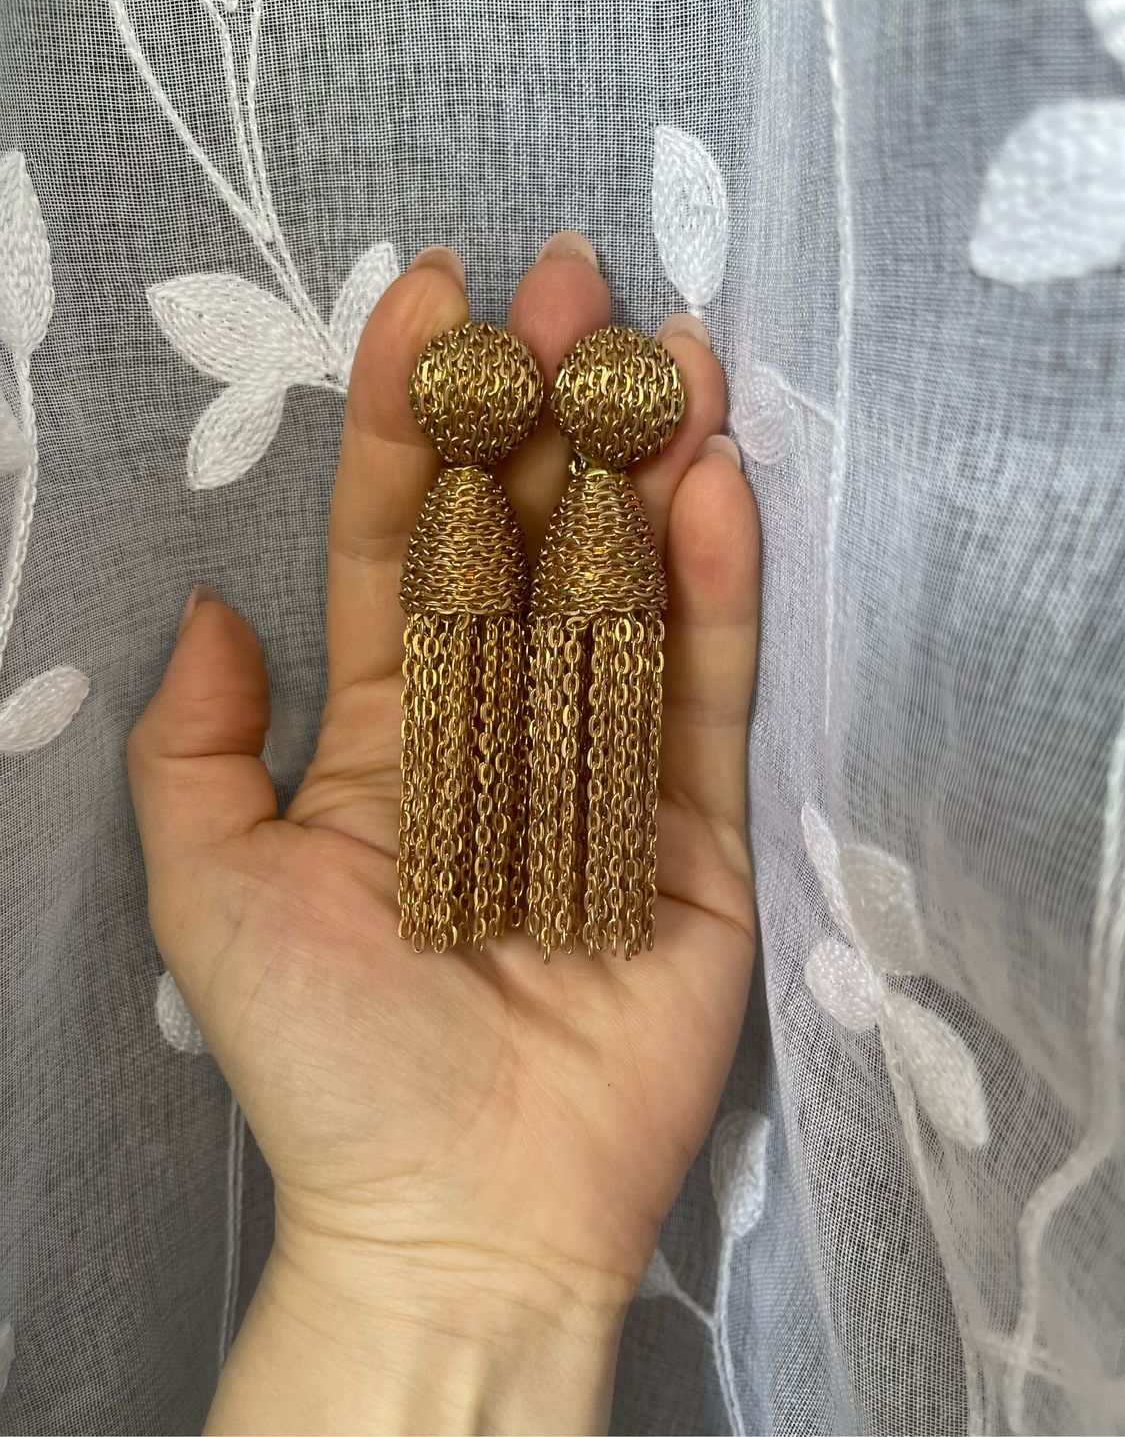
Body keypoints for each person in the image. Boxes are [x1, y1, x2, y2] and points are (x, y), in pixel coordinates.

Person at [125, 231, 761, 1435]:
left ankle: (565, 893)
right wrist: (418, 1274)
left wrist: (406, 1280)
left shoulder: (568, 526)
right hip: (513, 595)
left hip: (569, 601)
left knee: (595, 725)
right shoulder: (494, 521)